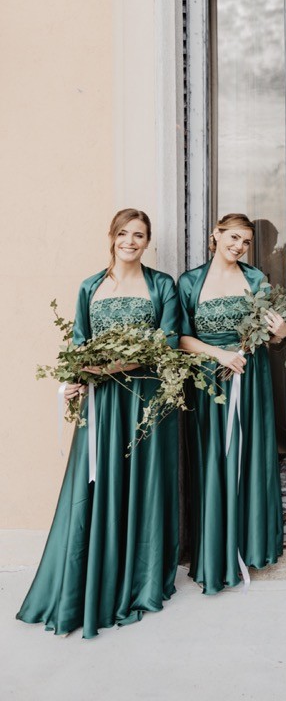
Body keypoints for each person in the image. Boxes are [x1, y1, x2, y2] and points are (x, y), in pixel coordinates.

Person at [17, 208, 180, 638]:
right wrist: (74, 379)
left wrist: (116, 365)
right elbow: (79, 340)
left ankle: (138, 578)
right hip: (102, 403)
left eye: (139, 235)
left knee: (143, 482)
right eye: (124, 233)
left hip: (146, 399)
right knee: (94, 482)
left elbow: (166, 341)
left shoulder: (162, 285)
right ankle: (89, 578)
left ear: (148, 242)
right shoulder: (90, 286)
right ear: (111, 236)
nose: (131, 241)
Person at [178, 212, 286, 594]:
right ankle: (213, 552)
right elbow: (180, 338)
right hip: (209, 381)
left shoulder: (256, 278)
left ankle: (251, 546)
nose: (238, 246)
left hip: (250, 376)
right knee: (212, 460)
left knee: (248, 456)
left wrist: (281, 331)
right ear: (216, 235)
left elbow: (273, 337)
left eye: (245, 242)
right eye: (233, 238)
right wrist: (217, 355)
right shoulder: (190, 281)